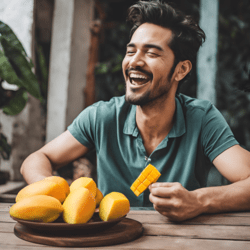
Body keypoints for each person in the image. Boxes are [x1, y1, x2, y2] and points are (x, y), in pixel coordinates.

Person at [20, 0, 250, 221]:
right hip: (110, 239)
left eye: (151, 53)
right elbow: (38, 158)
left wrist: (199, 200)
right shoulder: (102, 116)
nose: (134, 62)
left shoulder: (202, 119)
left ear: (180, 70)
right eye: (131, 51)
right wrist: (57, 193)